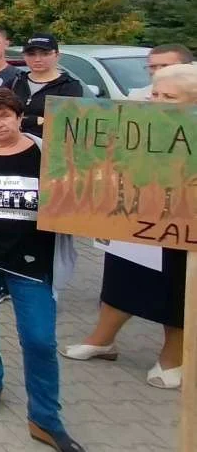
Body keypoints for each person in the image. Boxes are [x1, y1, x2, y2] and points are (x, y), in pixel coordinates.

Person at [0, 87, 82, 452]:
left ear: (19, 116)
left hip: (32, 262)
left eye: (5, 115)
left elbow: (76, 198)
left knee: (39, 338)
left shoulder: (48, 155)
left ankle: (45, 419)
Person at [61, 62, 196, 390]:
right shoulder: (133, 127)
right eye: (156, 94)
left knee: (175, 291)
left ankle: (173, 357)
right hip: (132, 224)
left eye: (169, 97)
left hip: (177, 231)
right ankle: (102, 340)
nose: (158, 101)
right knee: (120, 279)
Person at [12, 34, 82, 138]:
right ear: (24, 56)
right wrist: (35, 120)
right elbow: (2, 117)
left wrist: (22, 121)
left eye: (45, 54)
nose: (37, 59)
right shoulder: (15, 81)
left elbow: (64, 125)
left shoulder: (69, 86)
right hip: (14, 147)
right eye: (31, 54)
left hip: (47, 149)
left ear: (57, 55)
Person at [126, 44, 193, 100]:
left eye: (165, 66)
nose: (158, 71)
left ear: (189, 66)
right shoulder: (138, 97)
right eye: (152, 67)